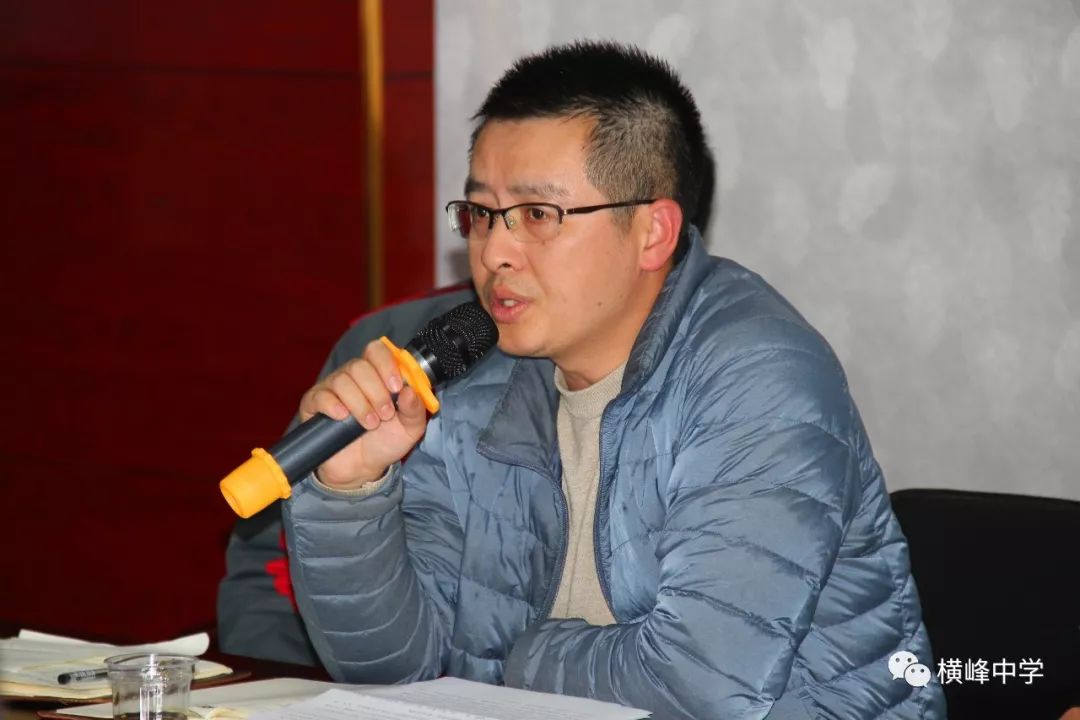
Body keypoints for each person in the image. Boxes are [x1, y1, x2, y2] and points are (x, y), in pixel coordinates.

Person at [259, 41, 948, 718]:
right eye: (481, 214)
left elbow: (701, 686)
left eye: (538, 215)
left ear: (653, 233)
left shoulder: (759, 379)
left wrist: (516, 662)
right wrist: (349, 493)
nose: (494, 251)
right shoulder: (469, 376)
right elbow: (394, 674)